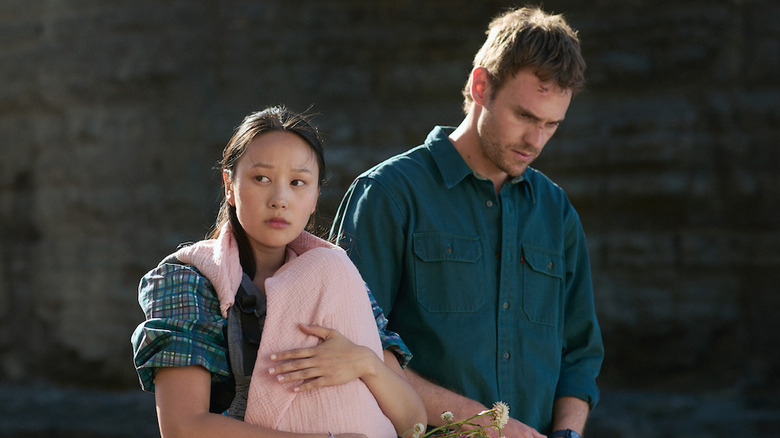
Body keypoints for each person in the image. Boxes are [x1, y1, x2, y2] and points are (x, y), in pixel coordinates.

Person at [330, 6, 604, 438]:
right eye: (525, 116)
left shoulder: (557, 211)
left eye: (552, 124)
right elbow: (354, 347)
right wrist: (491, 425)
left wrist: (567, 433)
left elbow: (580, 356)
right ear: (481, 86)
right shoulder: (388, 194)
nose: (536, 141)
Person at [132, 106, 426, 438]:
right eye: (261, 179)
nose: (280, 199)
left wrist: (364, 363)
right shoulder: (189, 281)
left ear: (315, 196)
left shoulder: (336, 276)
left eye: (298, 182)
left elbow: (412, 422)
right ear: (229, 184)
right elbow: (182, 427)